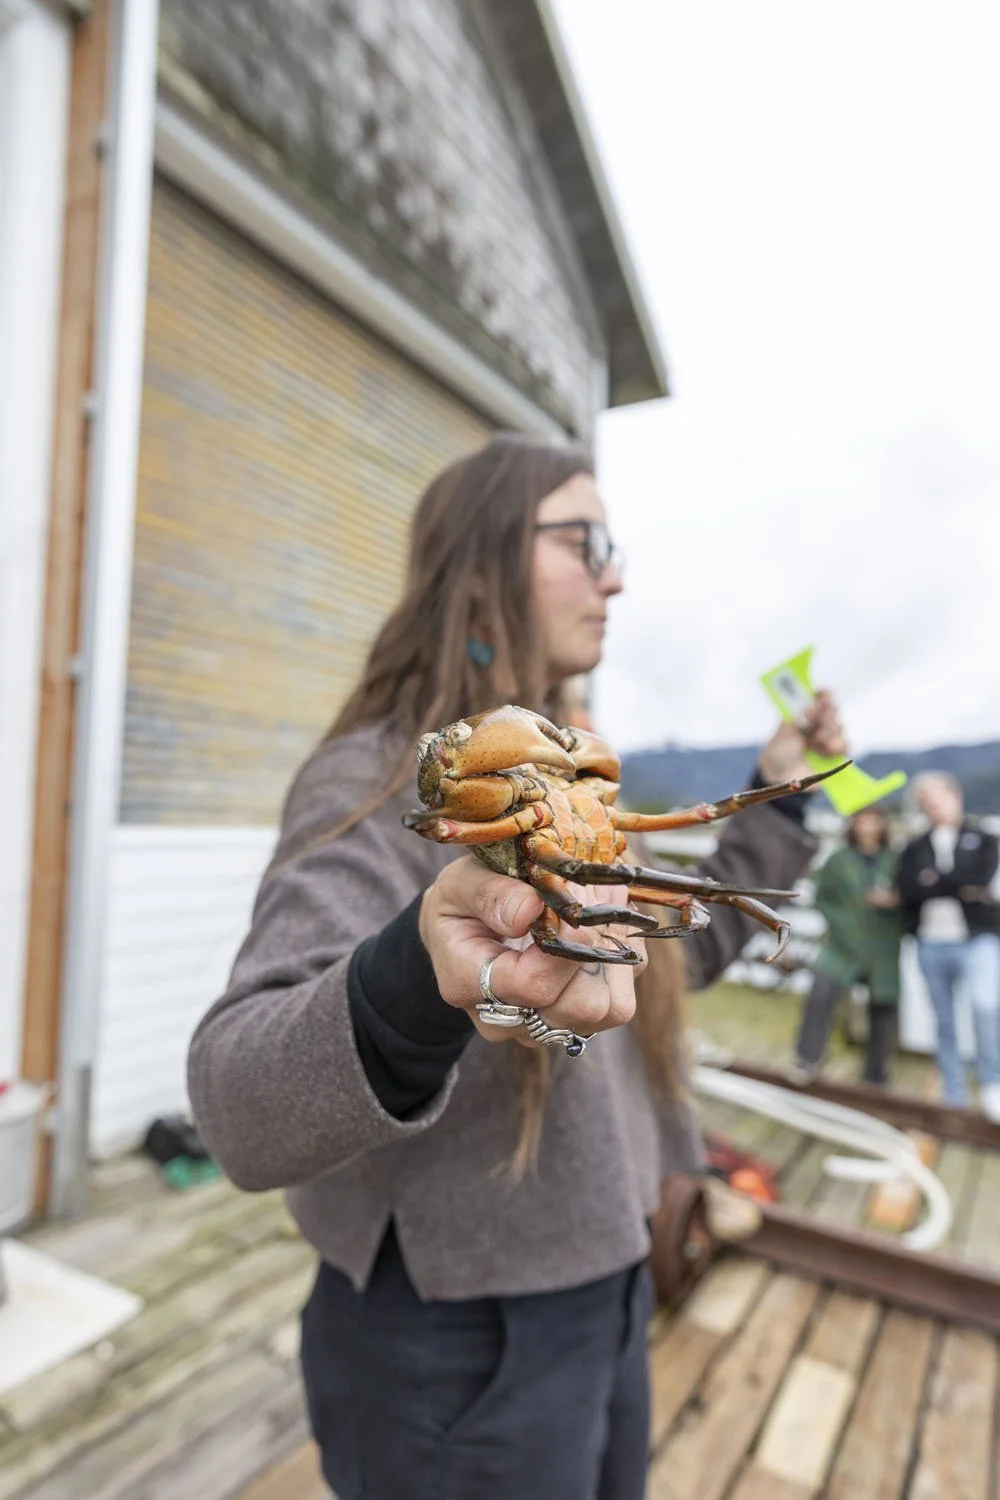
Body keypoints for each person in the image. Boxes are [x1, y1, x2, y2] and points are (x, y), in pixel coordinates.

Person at [187, 434, 848, 1500]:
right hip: (455, 1348)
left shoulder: (573, 777)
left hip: (606, 1287)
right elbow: (235, 1098)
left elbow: (675, 954)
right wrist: (418, 972)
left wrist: (783, 787)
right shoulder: (373, 780)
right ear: (483, 568)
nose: (615, 574)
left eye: (614, 544)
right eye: (583, 541)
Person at [897, 771, 1000, 1115]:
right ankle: (953, 1091)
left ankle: (992, 1083)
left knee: (986, 1007)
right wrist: (957, 886)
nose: (933, 806)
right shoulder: (915, 846)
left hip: (977, 939)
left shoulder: (983, 838)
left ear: (955, 795)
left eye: (938, 797)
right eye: (926, 801)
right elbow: (908, 891)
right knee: (943, 1019)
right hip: (931, 943)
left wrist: (935, 881)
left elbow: (980, 878)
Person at [793, 805, 901, 1085]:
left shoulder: (895, 860)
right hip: (841, 944)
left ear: (882, 824)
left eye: (873, 820)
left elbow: (910, 899)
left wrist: (893, 904)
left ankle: (875, 1077)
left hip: (883, 945)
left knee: (884, 1007)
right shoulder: (838, 860)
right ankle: (807, 1060)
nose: (867, 827)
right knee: (821, 994)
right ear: (852, 825)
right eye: (861, 821)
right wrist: (844, 924)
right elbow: (821, 898)